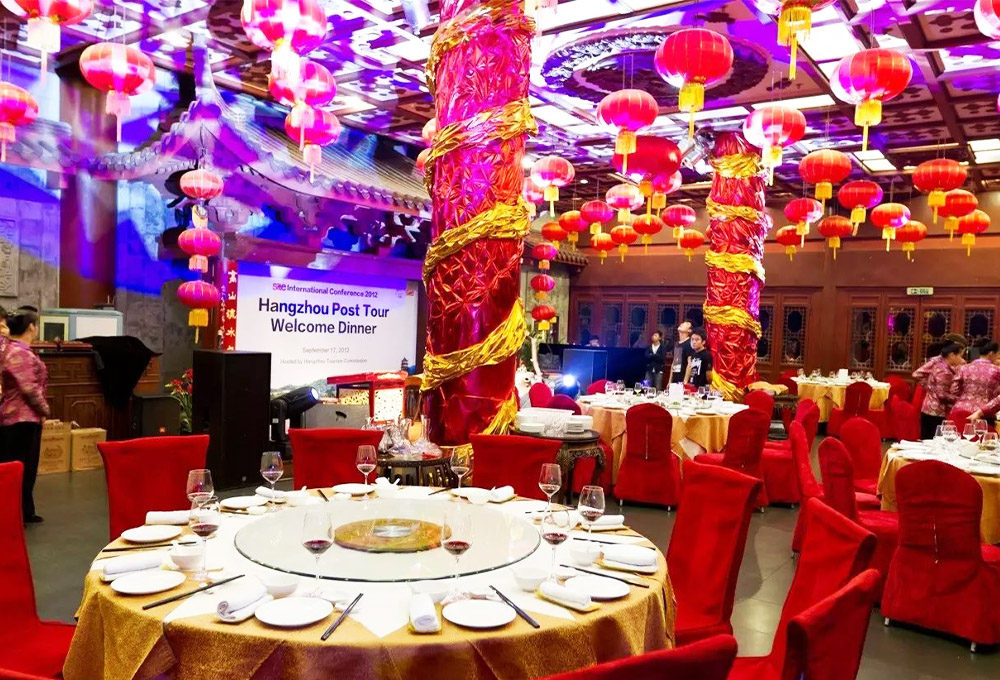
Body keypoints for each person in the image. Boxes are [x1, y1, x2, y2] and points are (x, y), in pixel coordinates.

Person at [0, 309, 49, 523]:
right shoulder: (19, 353)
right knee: (22, 469)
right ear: (31, 326)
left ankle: (25, 510)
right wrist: (45, 410)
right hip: (21, 419)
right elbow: (29, 389)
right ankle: (16, 513)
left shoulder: (12, 349)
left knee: (23, 468)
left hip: (20, 418)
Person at [912, 343, 964, 440]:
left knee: (927, 440)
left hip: (928, 408)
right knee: (934, 441)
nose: (961, 359)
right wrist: (960, 399)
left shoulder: (939, 366)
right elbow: (942, 395)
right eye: (960, 356)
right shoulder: (944, 372)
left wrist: (930, 388)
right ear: (952, 355)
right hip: (937, 412)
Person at [951, 340, 1000, 424]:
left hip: (960, 411)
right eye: (998, 354)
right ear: (991, 354)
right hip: (982, 413)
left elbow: (954, 390)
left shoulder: (964, 368)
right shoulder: (996, 371)